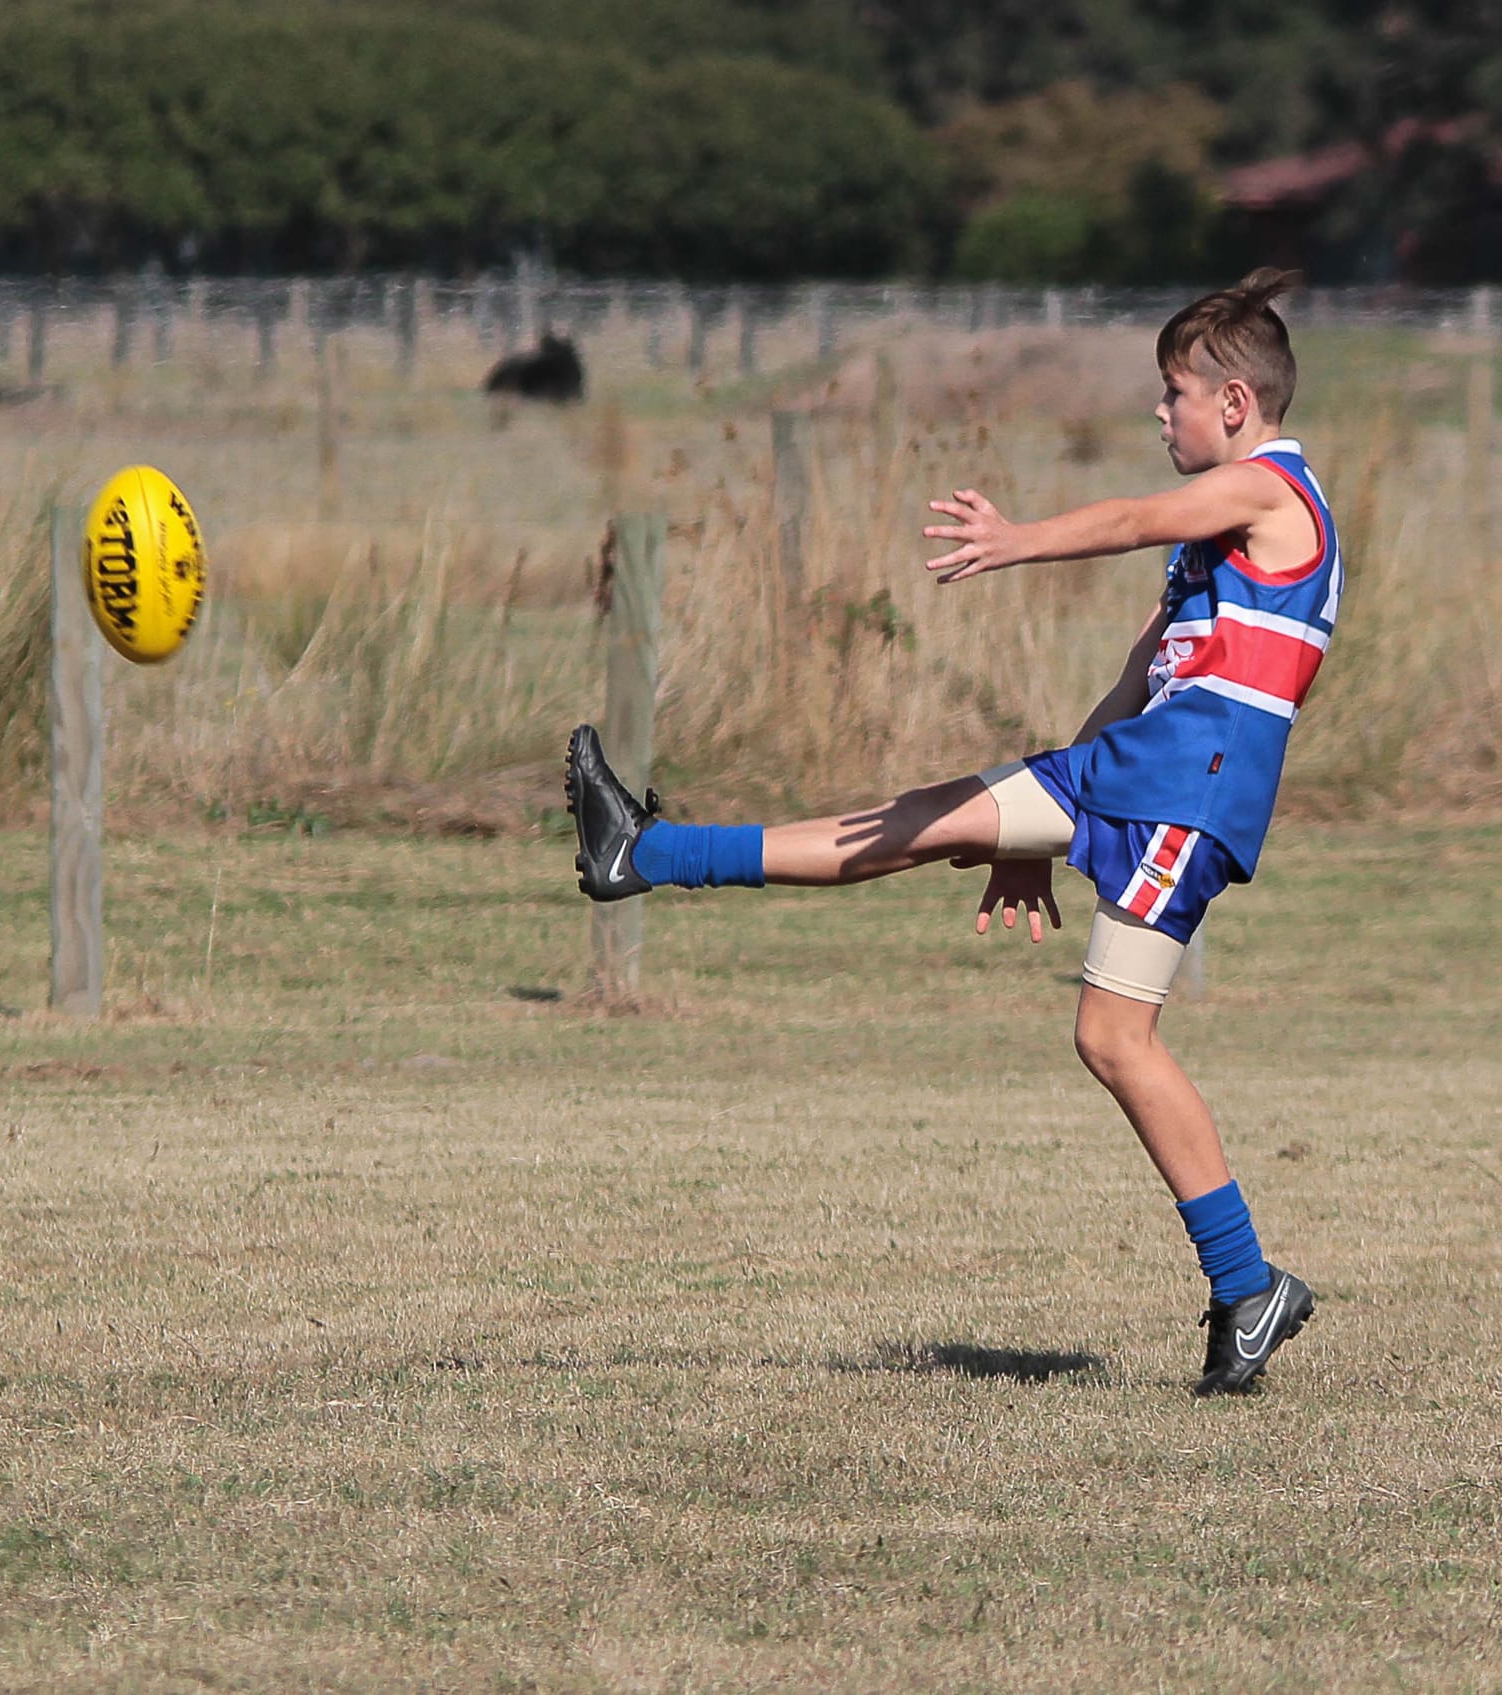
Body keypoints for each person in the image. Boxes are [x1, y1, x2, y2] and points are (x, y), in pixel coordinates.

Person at [567, 269, 1340, 1396]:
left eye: (1169, 395)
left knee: (1114, 1041)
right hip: (1134, 768)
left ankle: (1245, 1287)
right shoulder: (1214, 542)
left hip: (1193, 790)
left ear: (1231, 403)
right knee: (924, 823)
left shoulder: (1269, 492)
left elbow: (1129, 520)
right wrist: (1038, 824)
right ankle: (644, 853)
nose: (1156, 416)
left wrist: (1016, 540)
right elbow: (1139, 675)